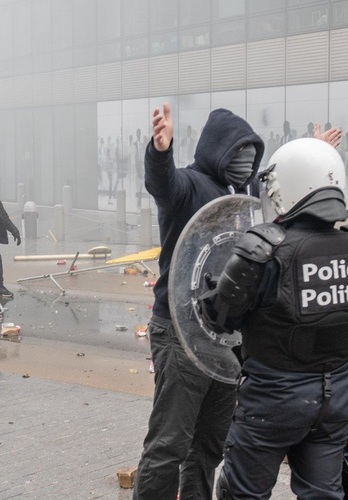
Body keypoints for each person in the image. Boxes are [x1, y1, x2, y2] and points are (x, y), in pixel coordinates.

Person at [202, 138, 348, 499]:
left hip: (275, 398)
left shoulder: (265, 251)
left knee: (242, 494)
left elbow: (221, 317)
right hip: (337, 396)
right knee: (323, 493)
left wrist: (215, 290)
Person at [133, 103, 266, 500]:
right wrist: (160, 151)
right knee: (168, 445)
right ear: (217, 151)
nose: (246, 162)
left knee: (209, 446)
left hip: (225, 342)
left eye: (252, 155)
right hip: (179, 333)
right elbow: (163, 183)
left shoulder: (245, 196)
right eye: (238, 152)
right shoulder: (190, 185)